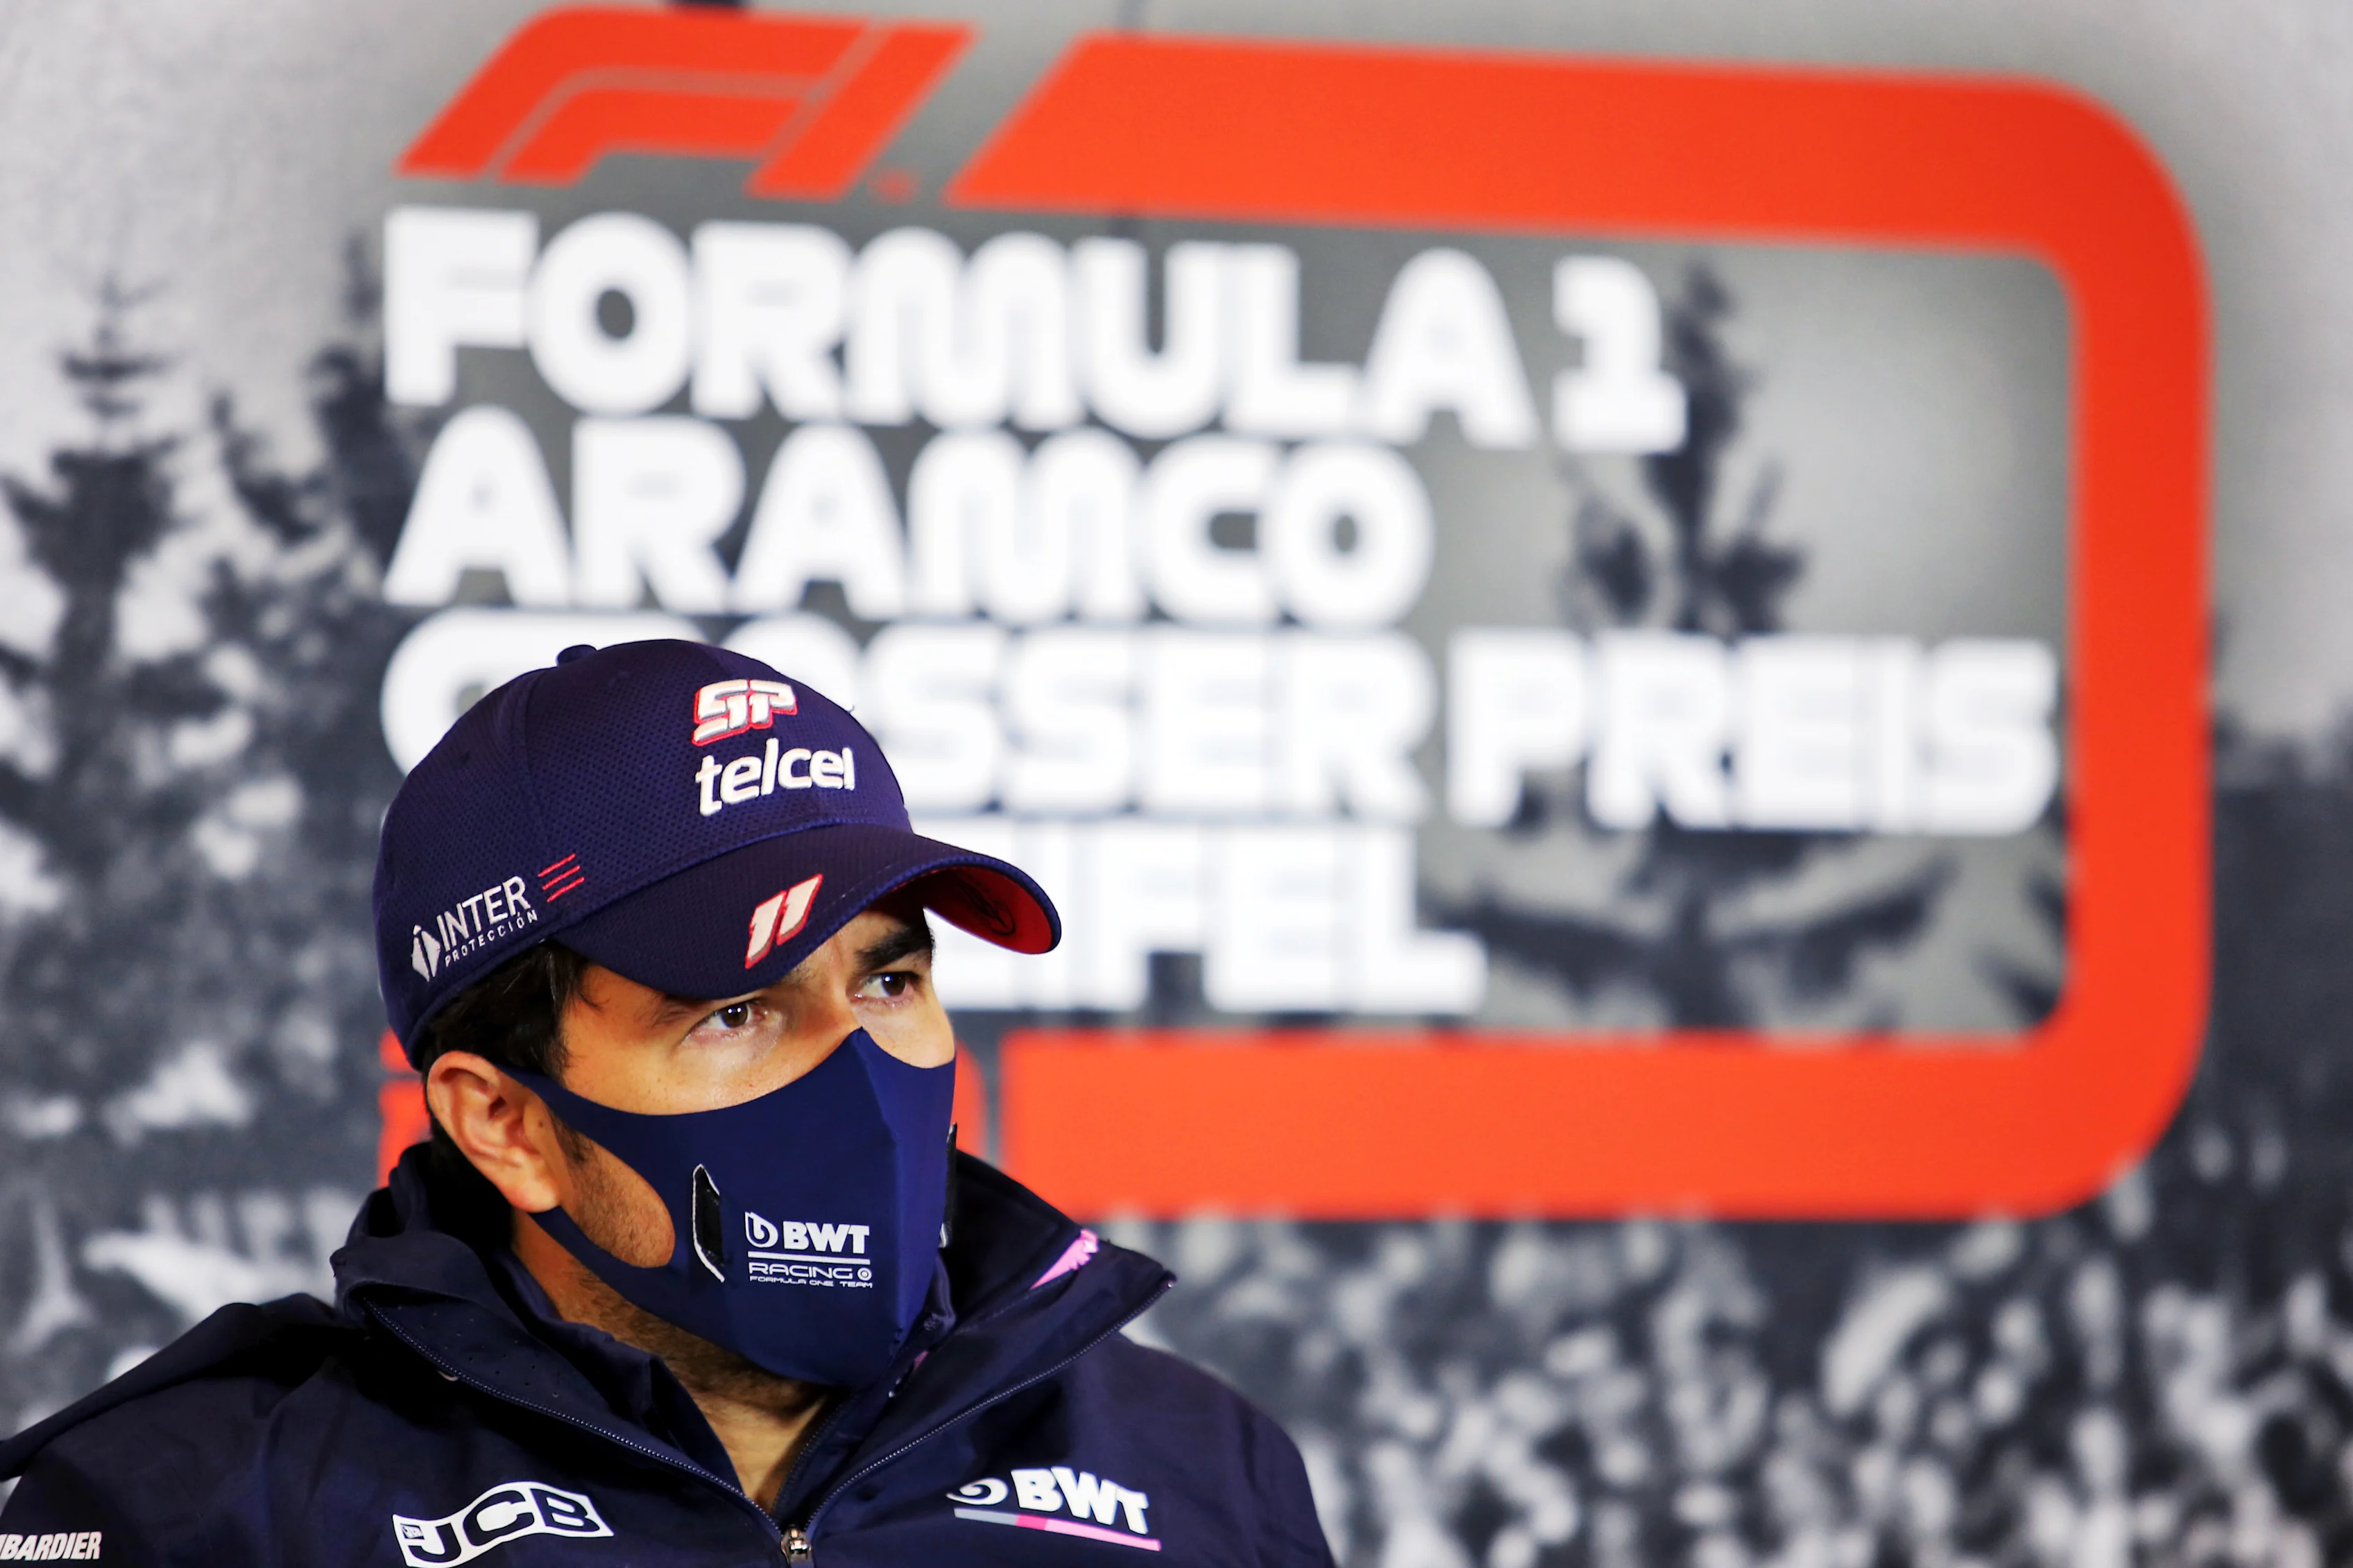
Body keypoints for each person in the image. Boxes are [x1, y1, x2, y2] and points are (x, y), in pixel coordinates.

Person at [0, 640, 1334, 1567]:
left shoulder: (1200, 1468)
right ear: (504, 1124)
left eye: (889, 981)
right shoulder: (200, 1508)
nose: (860, 1077)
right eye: (735, 1013)